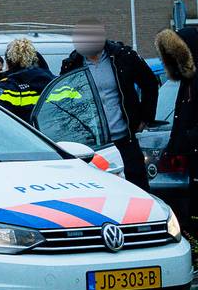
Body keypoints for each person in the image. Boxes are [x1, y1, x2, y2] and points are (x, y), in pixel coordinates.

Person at [61, 19, 158, 190]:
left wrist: (145, 117)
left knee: (136, 186)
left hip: (124, 137)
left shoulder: (123, 57)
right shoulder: (72, 64)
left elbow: (150, 83)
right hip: (91, 142)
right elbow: (63, 100)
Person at [155, 27, 198, 231]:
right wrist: (174, 146)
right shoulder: (186, 82)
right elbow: (180, 117)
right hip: (188, 161)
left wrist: (188, 138)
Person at [0, 38, 54, 125]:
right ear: (34, 57)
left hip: (26, 137)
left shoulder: (8, 88)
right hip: (58, 136)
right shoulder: (58, 84)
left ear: (10, 61)